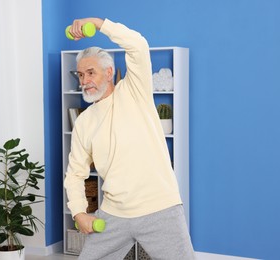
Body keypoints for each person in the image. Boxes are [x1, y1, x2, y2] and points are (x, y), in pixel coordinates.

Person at [64, 17, 195, 260]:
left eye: (91, 72)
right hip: (114, 214)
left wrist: (97, 23)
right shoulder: (84, 122)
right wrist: (79, 212)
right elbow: (75, 173)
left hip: (159, 208)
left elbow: (137, 45)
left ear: (109, 72)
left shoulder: (134, 91)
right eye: (80, 75)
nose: (84, 81)